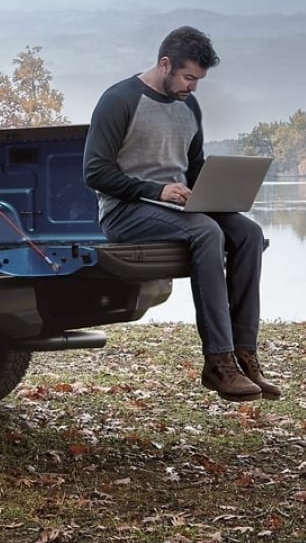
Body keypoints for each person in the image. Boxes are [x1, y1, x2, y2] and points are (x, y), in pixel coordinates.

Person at [82, 25, 280, 402]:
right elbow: (95, 172)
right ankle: (218, 362)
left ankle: (244, 353)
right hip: (126, 212)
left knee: (249, 234)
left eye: (199, 79)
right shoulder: (120, 100)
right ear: (165, 64)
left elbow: (193, 168)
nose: (193, 86)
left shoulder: (189, 106)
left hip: (176, 208)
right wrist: (155, 190)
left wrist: (216, 188)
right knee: (206, 232)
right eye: (189, 77)